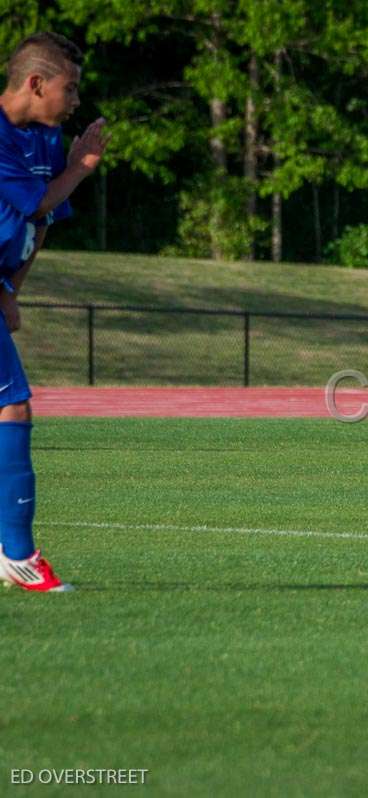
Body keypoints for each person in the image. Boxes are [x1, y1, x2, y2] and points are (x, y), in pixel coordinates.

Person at [0, 32, 107, 591]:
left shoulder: (46, 141)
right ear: (36, 83)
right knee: (11, 406)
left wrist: (11, 289)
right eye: (70, 88)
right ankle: (17, 554)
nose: (75, 100)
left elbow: (38, 224)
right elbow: (37, 201)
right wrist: (81, 168)